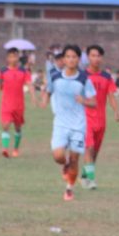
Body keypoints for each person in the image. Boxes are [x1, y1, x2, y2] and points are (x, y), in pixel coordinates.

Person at [39, 44, 96, 202]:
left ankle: (69, 189)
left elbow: (94, 102)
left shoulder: (84, 79)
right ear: (63, 59)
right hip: (60, 123)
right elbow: (49, 90)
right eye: (68, 57)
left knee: (75, 159)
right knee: (58, 156)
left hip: (78, 125)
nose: (71, 60)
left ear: (78, 59)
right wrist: (44, 100)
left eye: (74, 57)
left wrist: (83, 100)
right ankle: (64, 165)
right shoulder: (55, 75)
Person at [81, 45, 119, 189]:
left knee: (95, 152)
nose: (96, 59)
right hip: (85, 119)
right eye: (93, 55)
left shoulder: (106, 77)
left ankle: (85, 175)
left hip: (101, 120)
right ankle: (91, 181)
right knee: (89, 148)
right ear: (88, 57)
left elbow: (111, 96)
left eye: (98, 56)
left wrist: (116, 110)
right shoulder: (82, 76)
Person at [0, 47, 36, 158]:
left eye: (15, 56)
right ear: (7, 58)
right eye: (10, 56)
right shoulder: (3, 71)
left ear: (18, 57)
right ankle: (5, 149)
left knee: (18, 128)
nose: (13, 59)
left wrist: (33, 97)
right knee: (5, 125)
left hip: (18, 105)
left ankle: (15, 149)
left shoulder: (23, 71)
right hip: (6, 104)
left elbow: (29, 84)